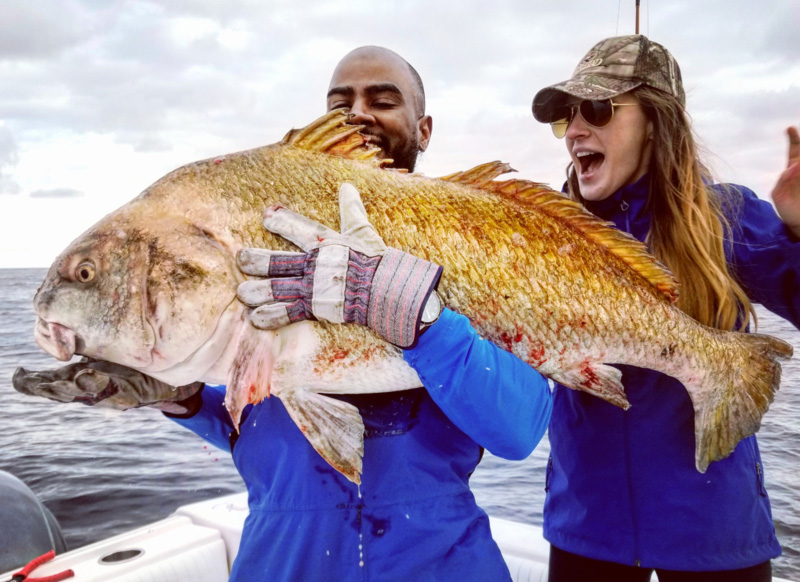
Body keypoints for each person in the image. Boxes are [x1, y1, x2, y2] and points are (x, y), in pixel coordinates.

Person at [14, 46, 553, 581]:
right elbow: (258, 435)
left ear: (424, 128)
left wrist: (421, 317)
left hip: (440, 563)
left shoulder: (472, 247)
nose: (359, 113)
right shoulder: (272, 225)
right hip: (280, 562)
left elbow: (518, 430)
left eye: (383, 100)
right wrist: (184, 400)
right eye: (340, 102)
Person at [530, 34, 800, 581]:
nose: (576, 131)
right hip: (587, 528)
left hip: (714, 534)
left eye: (599, 110)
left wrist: (797, 230)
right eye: (567, 118)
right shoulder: (550, 234)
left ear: (655, 121)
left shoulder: (726, 217)